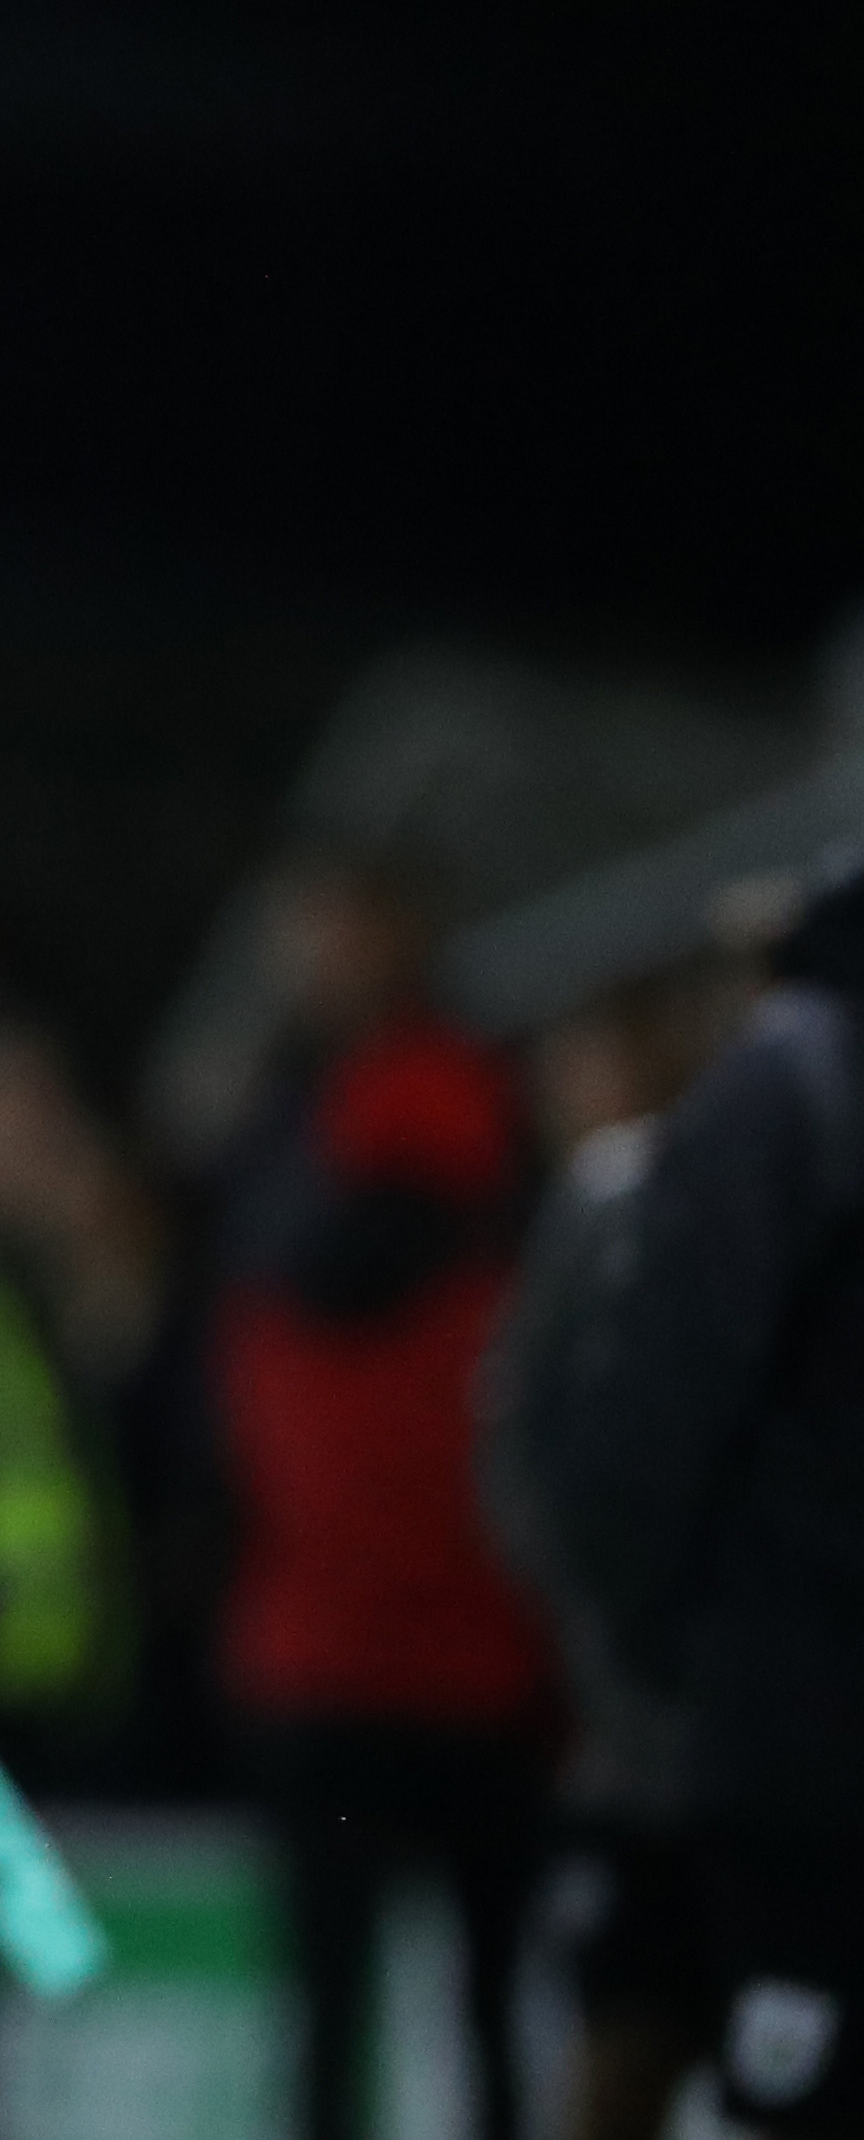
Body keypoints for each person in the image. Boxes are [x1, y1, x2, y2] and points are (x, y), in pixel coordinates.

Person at [207, 851, 550, 2140]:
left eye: (341, 926)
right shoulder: (293, 1117)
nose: (314, 958)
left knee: (459, 2005)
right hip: (344, 1653)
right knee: (362, 2009)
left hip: (437, 1651)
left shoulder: (430, 1110)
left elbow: (330, 1268)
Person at [549, 866, 864, 2140]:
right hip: (804, 1738)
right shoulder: (801, 1088)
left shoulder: (782, 1086)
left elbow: (636, 1428)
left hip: (796, 1732)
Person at [482, 980, 742, 2140]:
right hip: (645, 1751)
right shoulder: (605, 1202)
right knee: (621, 2046)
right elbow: (521, 1447)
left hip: (778, 1750)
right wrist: (609, 1643)